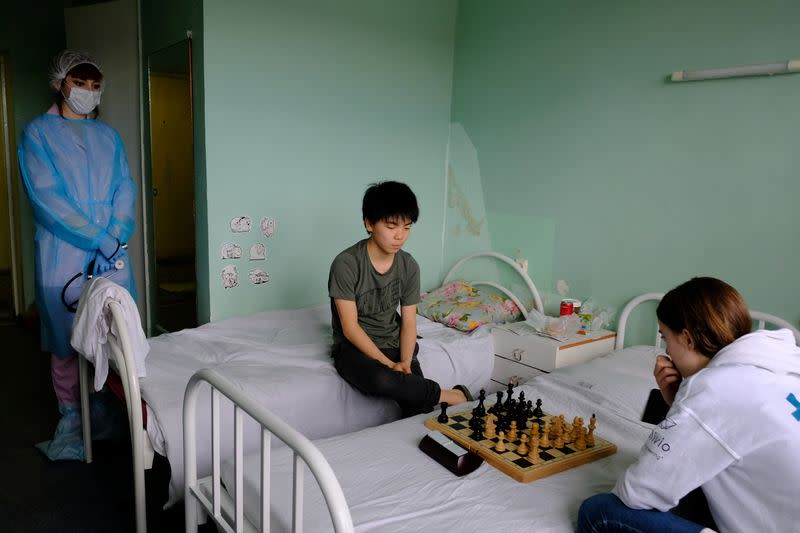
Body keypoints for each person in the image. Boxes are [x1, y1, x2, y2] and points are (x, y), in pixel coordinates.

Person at [576, 277, 800, 533]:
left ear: (688, 339)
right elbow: (716, 436)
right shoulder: (782, 362)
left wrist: (689, 394)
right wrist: (677, 398)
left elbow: (636, 492)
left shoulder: (717, 387)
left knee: (599, 512)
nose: (666, 351)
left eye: (665, 338)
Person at [18, 50, 137, 461]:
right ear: (60, 83)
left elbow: (125, 187)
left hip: (111, 258)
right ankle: (72, 417)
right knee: (66, 342)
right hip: (63, 256)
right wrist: (97, 238)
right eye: (79, 83)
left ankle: (109, 412)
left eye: (94, 85)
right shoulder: (38, 134)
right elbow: (48, 199)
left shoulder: (109, 137)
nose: (88, 92)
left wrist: (115, 236)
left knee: (113, 336)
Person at [328, 181, 470, 417]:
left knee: (419, 409)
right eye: (392, 226)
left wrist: (404, 361)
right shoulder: (346, 264)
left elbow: (410, 322)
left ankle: (434, 400)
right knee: (381, 380)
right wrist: (389, 365)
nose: (400, 236)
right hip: (353, 348)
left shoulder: (409, 266)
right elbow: (350, 328)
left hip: (395, 342)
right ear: (369, 223)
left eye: (407, 227)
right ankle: (452, 396)